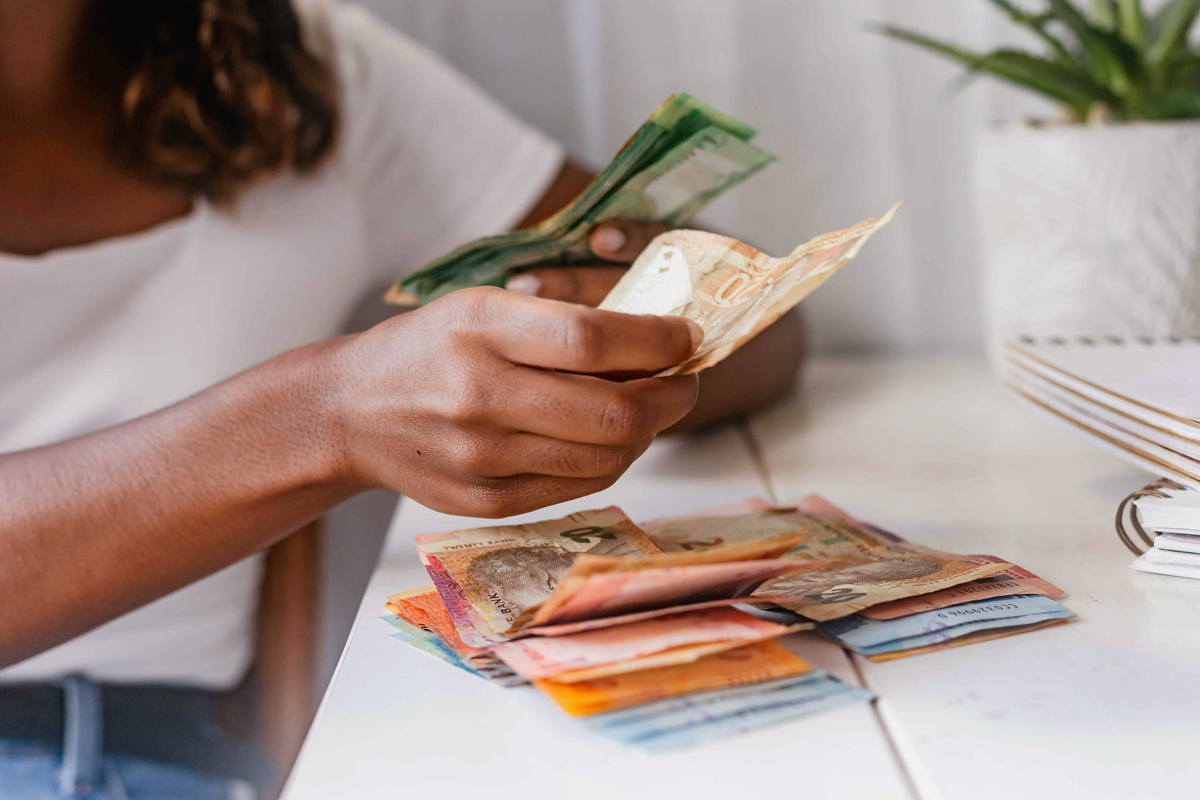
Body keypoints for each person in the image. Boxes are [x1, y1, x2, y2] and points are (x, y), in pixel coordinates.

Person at [0, 0, 804, 795]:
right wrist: (318, 423)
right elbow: (324, 419)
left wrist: (627, 335)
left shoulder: (293, 70)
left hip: (170, 760)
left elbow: (768, 332)